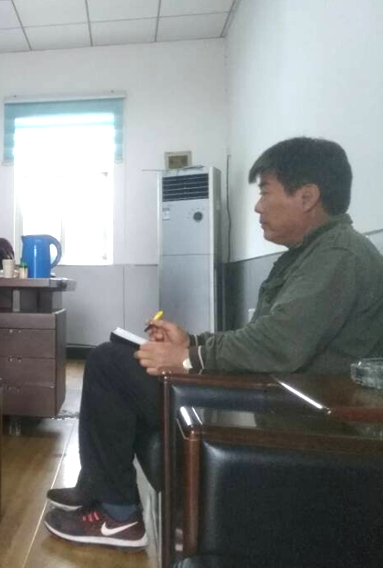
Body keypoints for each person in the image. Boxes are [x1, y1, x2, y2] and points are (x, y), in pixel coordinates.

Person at [43, 137, 383, 550]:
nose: (258, 207)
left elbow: (278, 346)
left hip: (292, 410)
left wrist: (189, 358)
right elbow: (263, 337)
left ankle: (118, 515)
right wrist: (193, 341)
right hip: (275, 393)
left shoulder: (338, 256)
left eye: (265, 192)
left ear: (307, 196)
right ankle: (103, 490)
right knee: (121, 357)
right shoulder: (311, 254)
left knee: (109, 364)